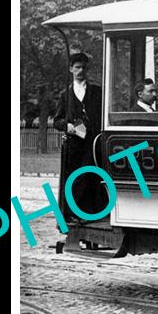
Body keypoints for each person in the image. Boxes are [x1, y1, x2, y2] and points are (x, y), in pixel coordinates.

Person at [54, 52, 104, 223]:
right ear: (71, 69)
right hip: (74, 144)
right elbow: (57, 120)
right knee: (74, 178)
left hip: (92, 142)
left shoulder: (97, 91)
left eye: (83, 67)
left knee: (91, 176)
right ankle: (73, 213)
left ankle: (91, 212)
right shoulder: (65, 95)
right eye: (77, 67)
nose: (81, 70)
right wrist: (67, 127)